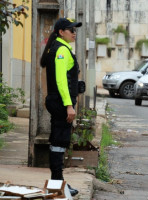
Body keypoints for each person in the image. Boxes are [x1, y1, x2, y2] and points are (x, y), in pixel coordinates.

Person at [40, 18, 82, 196]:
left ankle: (58, 183)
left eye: (74, 29)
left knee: (58, 141)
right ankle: (57, 185)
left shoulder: (58, 48)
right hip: (60, 102)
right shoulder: (62, 51)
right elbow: (61, 80)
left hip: (57, 101)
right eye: (70, 29)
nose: (74, 32)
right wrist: (69, 105)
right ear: (60, 32)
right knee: (59, 141)